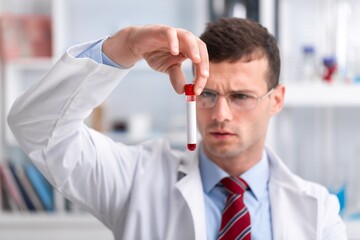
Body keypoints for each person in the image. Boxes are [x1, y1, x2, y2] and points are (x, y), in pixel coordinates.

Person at [7, 18, 346, 240]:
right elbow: (37, 126)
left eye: (241, 96)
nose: (221, 114)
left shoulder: (317, 213)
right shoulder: (137, 179)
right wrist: (124, 47)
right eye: (207, 94)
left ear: (276, 100)